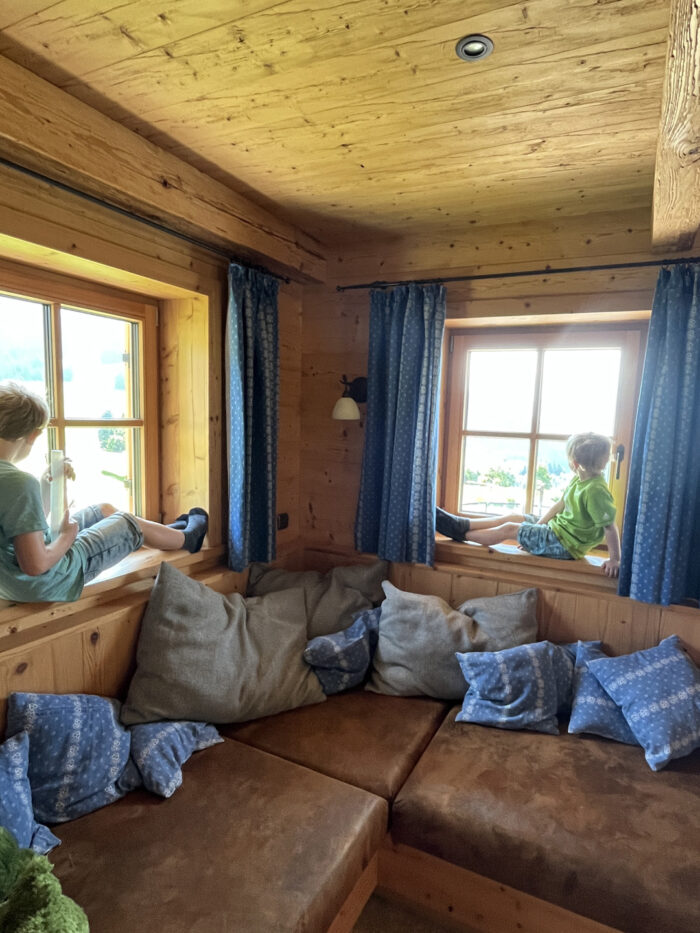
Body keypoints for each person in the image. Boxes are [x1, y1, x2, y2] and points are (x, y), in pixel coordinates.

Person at [0, 382, 209, 603]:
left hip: (11, 582)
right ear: (33, 435)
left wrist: (47, 481)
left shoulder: (11, 480)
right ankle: (189, 539)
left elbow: (24, 526)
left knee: (102, 510)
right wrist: (66, 538)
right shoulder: (20, 482)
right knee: (127, 524)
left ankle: (165, 535)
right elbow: (35, 565)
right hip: (45, 581)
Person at [438, 432, 621, 577]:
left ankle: (461, 534)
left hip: (565, 545)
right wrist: (537, 526)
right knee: (514, 517)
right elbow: (558, 505)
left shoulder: (596, 491)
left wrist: (615, 559)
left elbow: (610, 527)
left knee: (509, 528)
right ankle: (462, 524)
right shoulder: (580, 479)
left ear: (575, 463)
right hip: (557, 530)